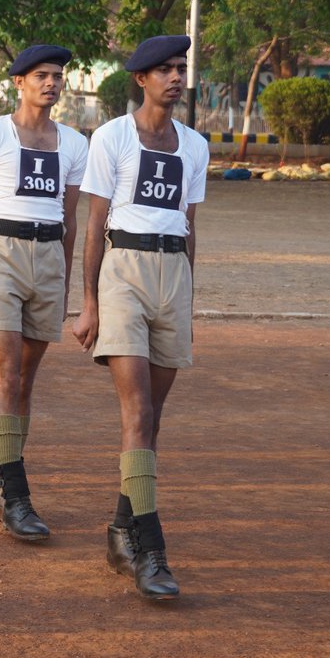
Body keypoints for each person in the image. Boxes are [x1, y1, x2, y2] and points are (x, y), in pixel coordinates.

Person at [71, 34, 209, 601]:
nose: (176, 77)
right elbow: (94, 222)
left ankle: (120, 528)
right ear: (141, 80)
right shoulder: (111, 138)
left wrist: (189, 293)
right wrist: (90, 301)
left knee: (152, 422)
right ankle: (151, 552)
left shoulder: (195, 146)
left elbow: (191, 224)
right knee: (138, 410)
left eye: (181, 68)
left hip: (172, 275)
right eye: (164, 70)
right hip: (122, 271)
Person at [0, 44, 88, 540]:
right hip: (2, 256)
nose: (51, 83)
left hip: (49, 258)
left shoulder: (76, 143)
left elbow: (71, 219)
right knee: (7, 375)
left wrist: (70, 284)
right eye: (41, 75)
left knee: (26, 382)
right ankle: (15, 492)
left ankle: (1, 483)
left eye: (57, 76)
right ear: (18, 81)